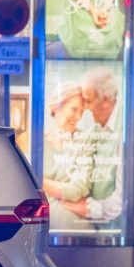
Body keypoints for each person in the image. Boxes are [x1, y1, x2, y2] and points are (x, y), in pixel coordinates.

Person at [61, 67, 122, 227]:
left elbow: (120, 201)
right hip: (98, 224)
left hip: (114, 228)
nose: (86, 108)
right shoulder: (96, 127)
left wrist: (88, 208)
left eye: (88, 101)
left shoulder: (123, 130)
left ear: (106, 100)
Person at [43, 81, 95, 230]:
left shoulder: (84, 140)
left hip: (76, 227)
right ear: (56, 106)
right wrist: (62, 190)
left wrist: (41, 182)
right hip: (45, 228)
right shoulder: (38, 140)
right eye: (74, 109)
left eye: (82, 111)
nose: (78, 117)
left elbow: (77, 190)